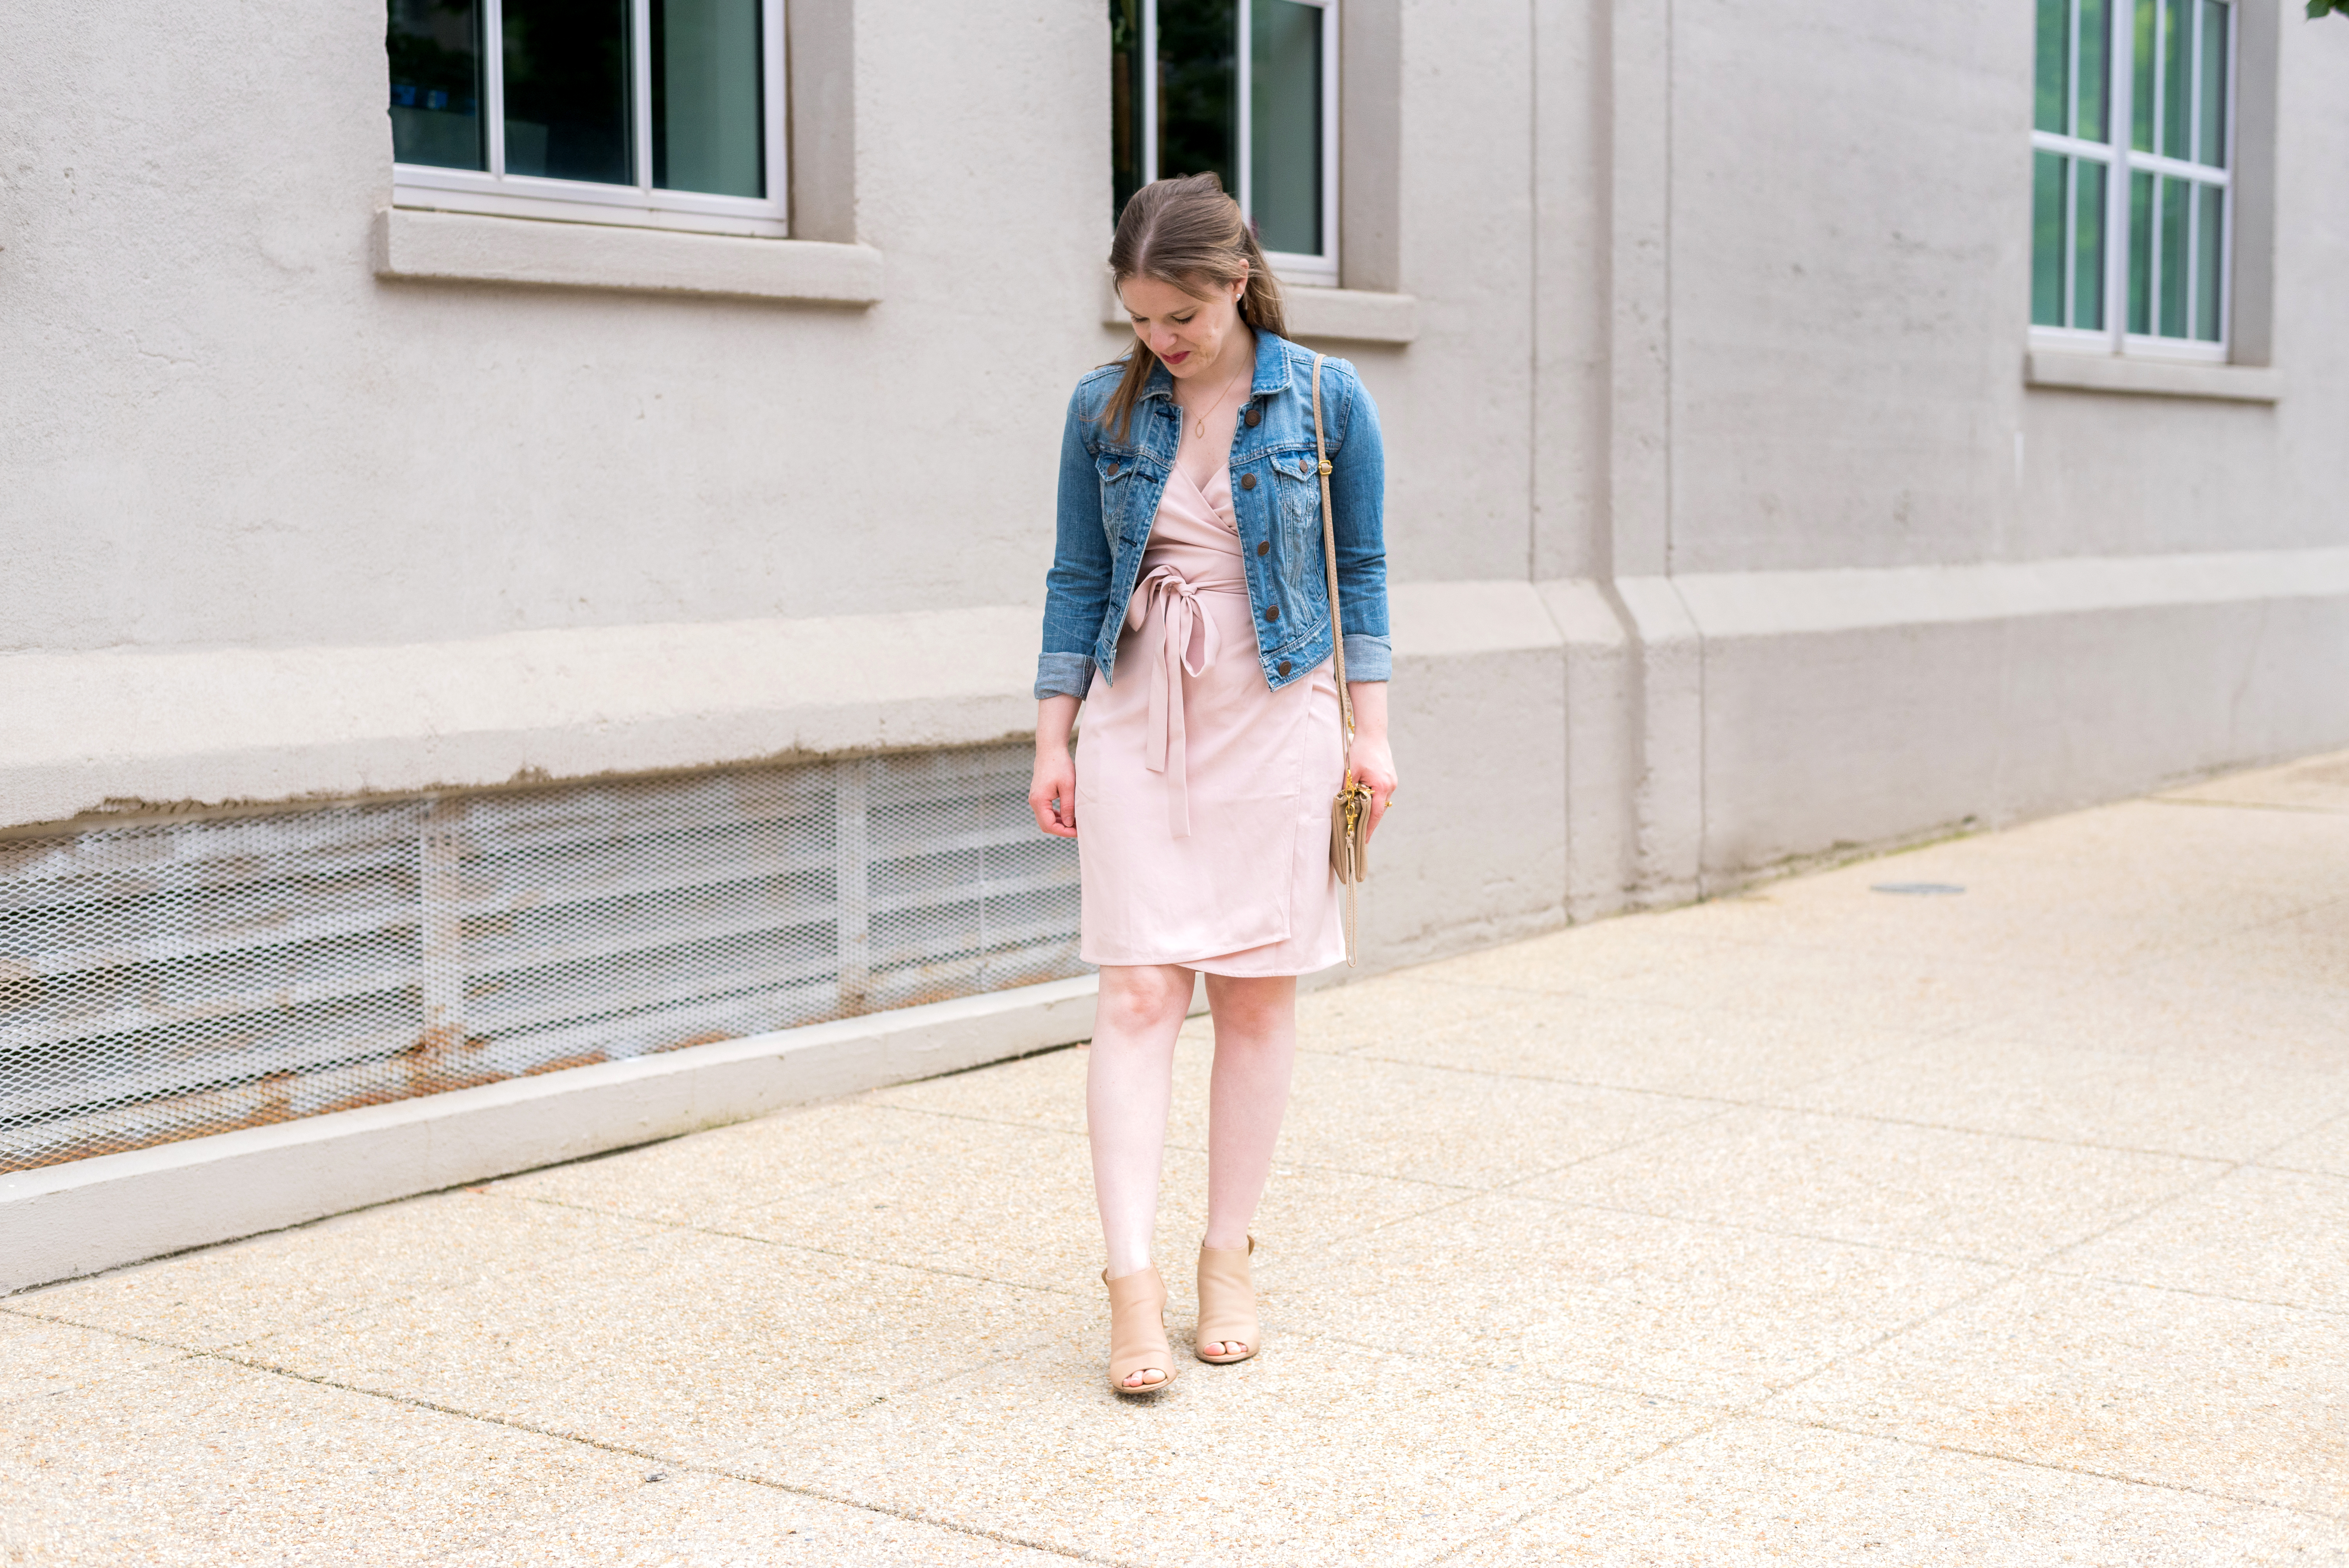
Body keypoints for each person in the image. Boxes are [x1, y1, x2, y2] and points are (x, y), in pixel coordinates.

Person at [1028, 173, 1397, 1395]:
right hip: (1142, 707)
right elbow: (1077, 581)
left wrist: (1373, 735)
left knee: (1254, 997)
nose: (1159, 343)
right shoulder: (1104, 409)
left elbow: (1366, 572)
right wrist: (1052, 737)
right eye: (1138, 321)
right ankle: (1129, 1283)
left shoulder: (1327, 398)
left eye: (1176, 320)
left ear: (1236, 283)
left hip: (1275, 707)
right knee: (1138, 992)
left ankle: (1226, 1255)